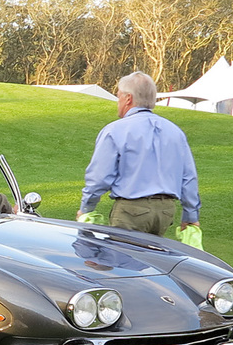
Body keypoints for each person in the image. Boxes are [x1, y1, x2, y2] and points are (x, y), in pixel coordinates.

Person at [79, 71, 200, 237]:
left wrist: (86, 208)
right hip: (165, 212)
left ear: (128, 98)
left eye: (119, 96)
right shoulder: (175, 132)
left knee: (122, 260)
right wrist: (191, 215)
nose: (118, 101)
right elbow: (188, 178)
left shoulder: (116, 130)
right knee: (151, 261)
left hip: (131, 210)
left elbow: (99, 177)